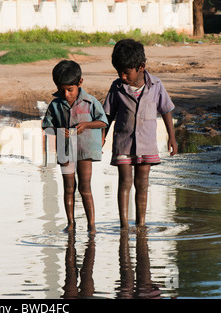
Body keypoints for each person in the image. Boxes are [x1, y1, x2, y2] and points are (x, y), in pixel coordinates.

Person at [103, 39, 178, 229]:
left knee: (142, 184)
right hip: (123, 143)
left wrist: (172, 137)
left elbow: (166, 110)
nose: (122, 76)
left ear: (141, 67)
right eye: (118, 72)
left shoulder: (156, 85)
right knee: (125, 182)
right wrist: (101, 137)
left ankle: (141, 224)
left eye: (126, 72)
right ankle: (123, 225)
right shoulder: (116, 88)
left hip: (147, 145)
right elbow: (108, 115)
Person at [42, 60, 108, 233]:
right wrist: (57, 130)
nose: (66, 94)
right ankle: (71, 223)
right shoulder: (55, 104)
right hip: (65, 149)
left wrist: (86, 125)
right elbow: (46, 126)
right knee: (68, 187)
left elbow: (103, 121)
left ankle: (91, 225)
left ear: (80, 83)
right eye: (62, 89)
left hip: (85, 149)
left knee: (85, 187)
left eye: (70, 90)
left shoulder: (91, 101)